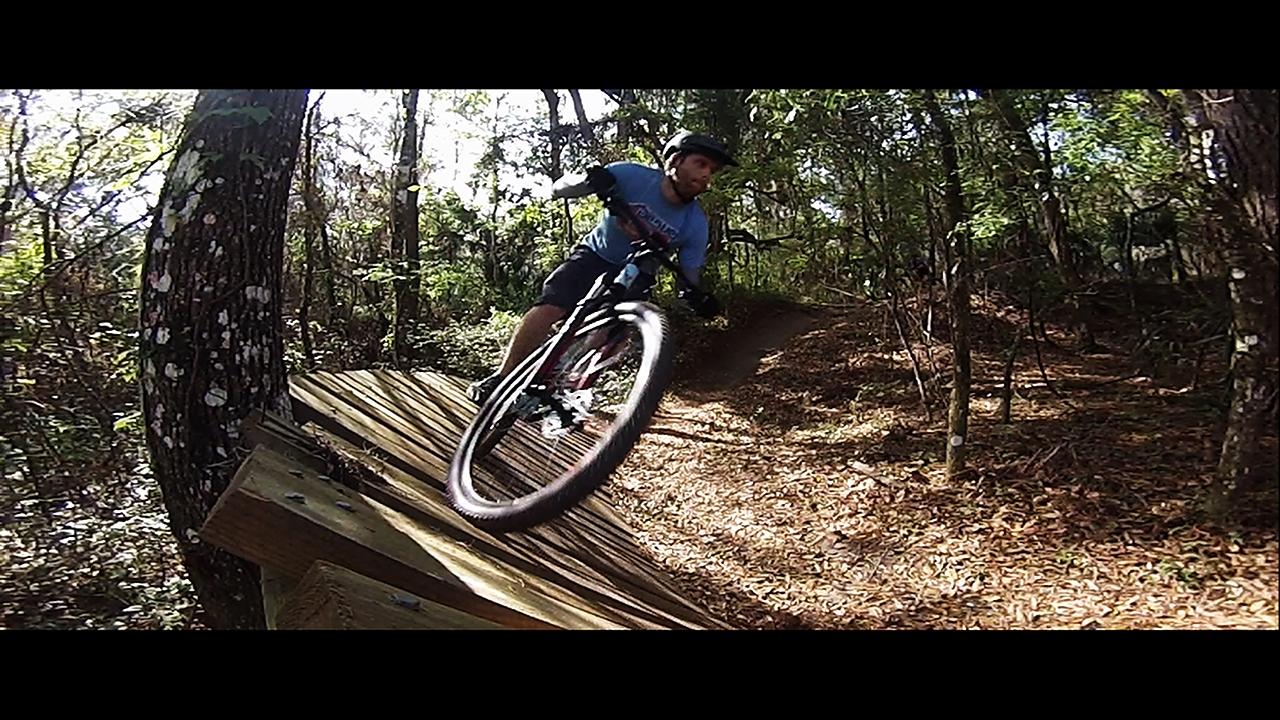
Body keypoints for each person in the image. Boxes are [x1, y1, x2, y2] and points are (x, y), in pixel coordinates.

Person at [468, 130, 738, 403]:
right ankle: (502, 378)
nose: (707, 175)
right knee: (550, 307)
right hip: (595, 255)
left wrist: (695, 296)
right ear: (675, 160)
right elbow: (560, 188)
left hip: (637, 275)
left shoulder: (696, 224)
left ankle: (561, 390)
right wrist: (591, 179)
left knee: (608, 335)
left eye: (712, 170)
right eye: (701, 164)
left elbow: (688, 278)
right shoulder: (632, 176)